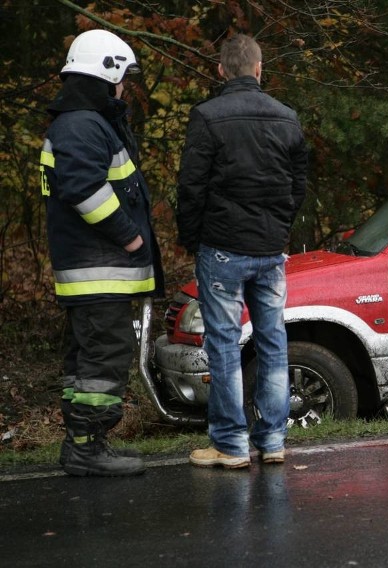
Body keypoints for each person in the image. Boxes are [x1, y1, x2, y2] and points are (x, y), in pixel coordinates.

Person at [177, 34, 308, 469]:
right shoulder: (287, 118)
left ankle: (231, 444)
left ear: (220, 71)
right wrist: (280, 229)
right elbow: (298, 186)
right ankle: (272, 440)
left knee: (224, 344)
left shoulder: (208, 117)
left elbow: (191, 187)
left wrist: (192, 238)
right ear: (258, 69)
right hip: (270, 248)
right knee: (273, 342)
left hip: (223, 247)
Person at [40, 29, 164, 476]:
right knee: (103, 358)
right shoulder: (82, 124)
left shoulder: (81, 121)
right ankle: (89, 448)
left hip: (93, 273)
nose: (124, 88)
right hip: (100, 271)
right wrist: (130, 236)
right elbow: (84, 188)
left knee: (86, 360)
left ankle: (81, 444)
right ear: (106, 71)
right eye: (122, 79)